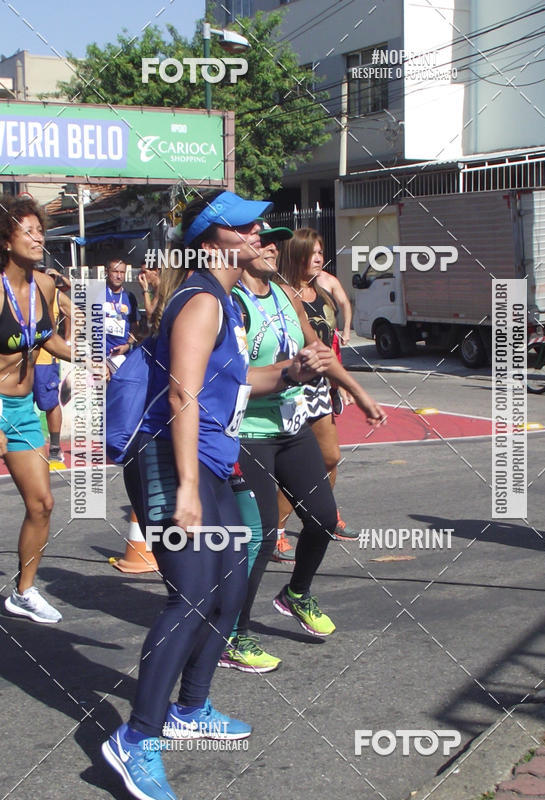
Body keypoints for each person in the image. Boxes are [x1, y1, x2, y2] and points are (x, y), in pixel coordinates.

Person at [102, 190, 328, 800]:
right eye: (248, 228)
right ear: (212, 241)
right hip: (170, 460)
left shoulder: (224, 303)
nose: (264, 236)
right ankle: (136, 738)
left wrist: (290, 373)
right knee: (194, 593)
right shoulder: (201, 299)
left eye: (264, 229)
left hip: (208, 460)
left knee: (232, 584)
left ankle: (190, 709)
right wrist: (188, 490)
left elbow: (229, 382)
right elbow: (181, 394)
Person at [217, 221, 385, 674]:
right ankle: (234, 634)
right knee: (262, 534)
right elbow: (228, 378)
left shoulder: (286, 297)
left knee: (325, 519)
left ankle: (295, 593)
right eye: (260, 240)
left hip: (291, 426)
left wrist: (361, 394)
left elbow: (321, 353)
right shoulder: (231, 302)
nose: (269, 246)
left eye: (275, 240)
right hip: (247, 433)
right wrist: (288, 372)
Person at [0, 194, 71, 624]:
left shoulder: (44, 286)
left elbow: (46, 339)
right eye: (27, 231)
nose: (37, 237)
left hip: (25, 409)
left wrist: (84, 352)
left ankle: (24, 592)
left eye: (40, 231)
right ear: (6, 241)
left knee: (43, 503)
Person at [275, 228, 360, 561]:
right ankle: (276, 529)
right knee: (292, 463)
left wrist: (339, 380)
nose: (319, 257)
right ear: (296, 255)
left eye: (321, 251)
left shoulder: (322, 290)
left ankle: (325, 514)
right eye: (311, 252)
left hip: (322, 385)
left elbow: (330, 338)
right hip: (291, 386)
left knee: (330, 456)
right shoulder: (282, 292)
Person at [32, 272, 72, 467]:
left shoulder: (54, 293)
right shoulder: (13, 290)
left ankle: (55, 448)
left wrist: (69, 339)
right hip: (18, 360)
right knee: (15, 403)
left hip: (45, 360)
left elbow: (76, 313)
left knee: (49, 403)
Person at [103, 257, 139, 358]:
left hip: (123, 354)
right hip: (100, 354)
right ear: (107, 272)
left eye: (122, 272)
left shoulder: (130, 297)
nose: (119, 276)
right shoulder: (97, 294)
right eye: (115, 271)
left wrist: (127, 346)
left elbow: (135, 326)